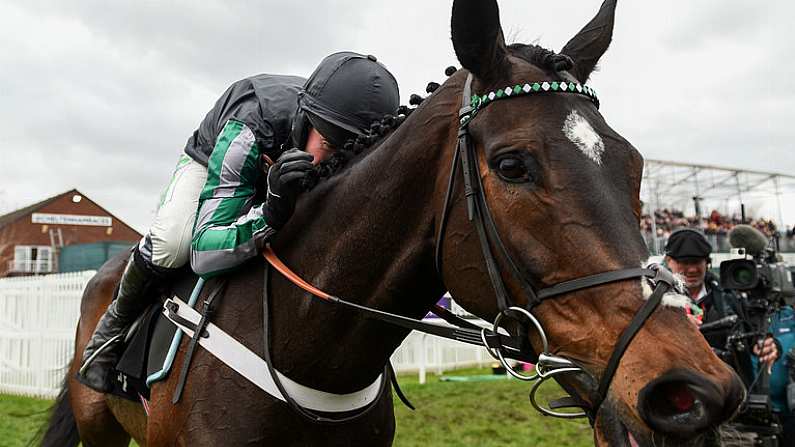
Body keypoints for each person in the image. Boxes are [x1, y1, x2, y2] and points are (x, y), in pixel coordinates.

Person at [77, 52, 400, 392]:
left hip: (277, 156)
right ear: (307, 121)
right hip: (215, 156)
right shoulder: (247, 129)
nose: (333, 163)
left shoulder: (330, 137)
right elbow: (204, 254)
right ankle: (108, 334)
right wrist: (271, 212)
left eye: (348, 154)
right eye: (330, 145)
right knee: (174, 243)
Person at [663, 228, 779, 376]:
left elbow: (752, 336)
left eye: (698, 261)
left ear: (707, 262)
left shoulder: (731, 296)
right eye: (685, 262)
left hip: (731, 389)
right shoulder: (652, 301)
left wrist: (766, 345)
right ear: (668, 261)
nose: (692, 269)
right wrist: (673, 328)